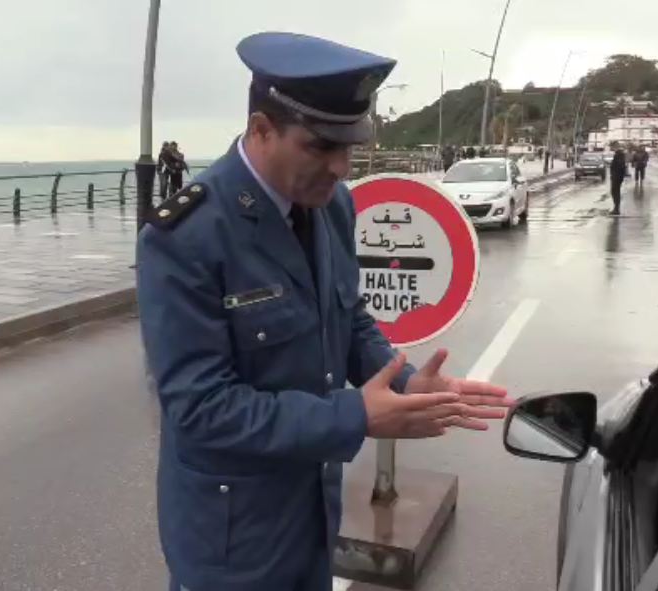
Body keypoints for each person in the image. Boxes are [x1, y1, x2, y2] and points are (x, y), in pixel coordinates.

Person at [137, 31, 512, 591]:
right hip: (232, 542)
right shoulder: (186, 236)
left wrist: (405, 382)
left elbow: (348, 317)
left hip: (313, 518)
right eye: (320, 146)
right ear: (261, 130)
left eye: (350, 147)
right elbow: (202, 409)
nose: (340, 166)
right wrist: (355, 416)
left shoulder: (332, 204)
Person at [609, 148, 627, 215]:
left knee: (615, 192)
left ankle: (616, 209)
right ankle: (616, 208)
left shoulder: (618, 159)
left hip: (616, 178)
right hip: (618, 178)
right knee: (616, 192)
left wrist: (614, 175)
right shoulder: (621, 159)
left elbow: (615, 168)